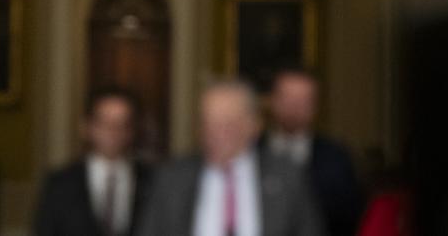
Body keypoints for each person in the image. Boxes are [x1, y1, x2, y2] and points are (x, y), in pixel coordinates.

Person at [138, 80, 325, 236]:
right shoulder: (171, 178)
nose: (215, 134)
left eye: (227, 124)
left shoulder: (288, 177)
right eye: (208, 122)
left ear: (254, 125)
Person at [34, 87, 153, 236]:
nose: (113, 131)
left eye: (122, 123)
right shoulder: (60, 183)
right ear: (87, 127)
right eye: (104, 122)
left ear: (132, 130)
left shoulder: (151, 180)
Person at [262, 69, 363, 236]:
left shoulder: (336, 158)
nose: (294, 108)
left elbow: (349, 217)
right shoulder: (249, 152)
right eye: (287, 98)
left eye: (303, 100)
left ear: (316, 107)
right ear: (271, 101)